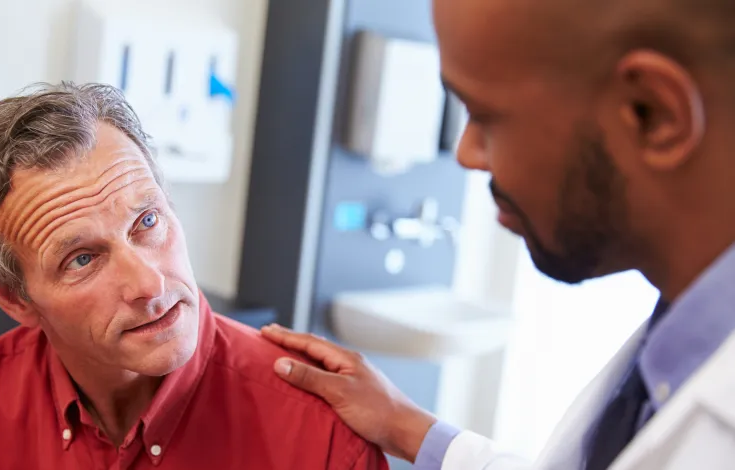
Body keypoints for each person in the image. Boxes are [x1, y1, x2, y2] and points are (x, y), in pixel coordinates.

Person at [259, 0, 735, 468]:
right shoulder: (680, 341)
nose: (467, 155)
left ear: (652, 114)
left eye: (485, 117)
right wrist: (406, 426)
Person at [0, 83, 388, 470]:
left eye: (147, 222)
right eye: (82, 259)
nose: (149, 286)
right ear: (13, 298)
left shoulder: (321, 435)